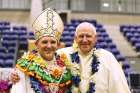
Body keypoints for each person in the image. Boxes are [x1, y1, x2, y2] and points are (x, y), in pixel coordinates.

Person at [11, 22, 131, 93]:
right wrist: (16, 74)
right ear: (75, 38)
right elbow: (39, 60)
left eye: (88, 36)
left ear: (95, 38)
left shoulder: (107, 57)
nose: (84, 40)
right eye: (81, 36)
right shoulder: (63, 54)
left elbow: (120, 88)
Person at [10, 8, 72, 93]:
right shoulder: (25, 66)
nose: (49, 46)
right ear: (36, 44)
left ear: (58, 45)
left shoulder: (65, 66)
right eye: (44, 42)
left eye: (53, 42)